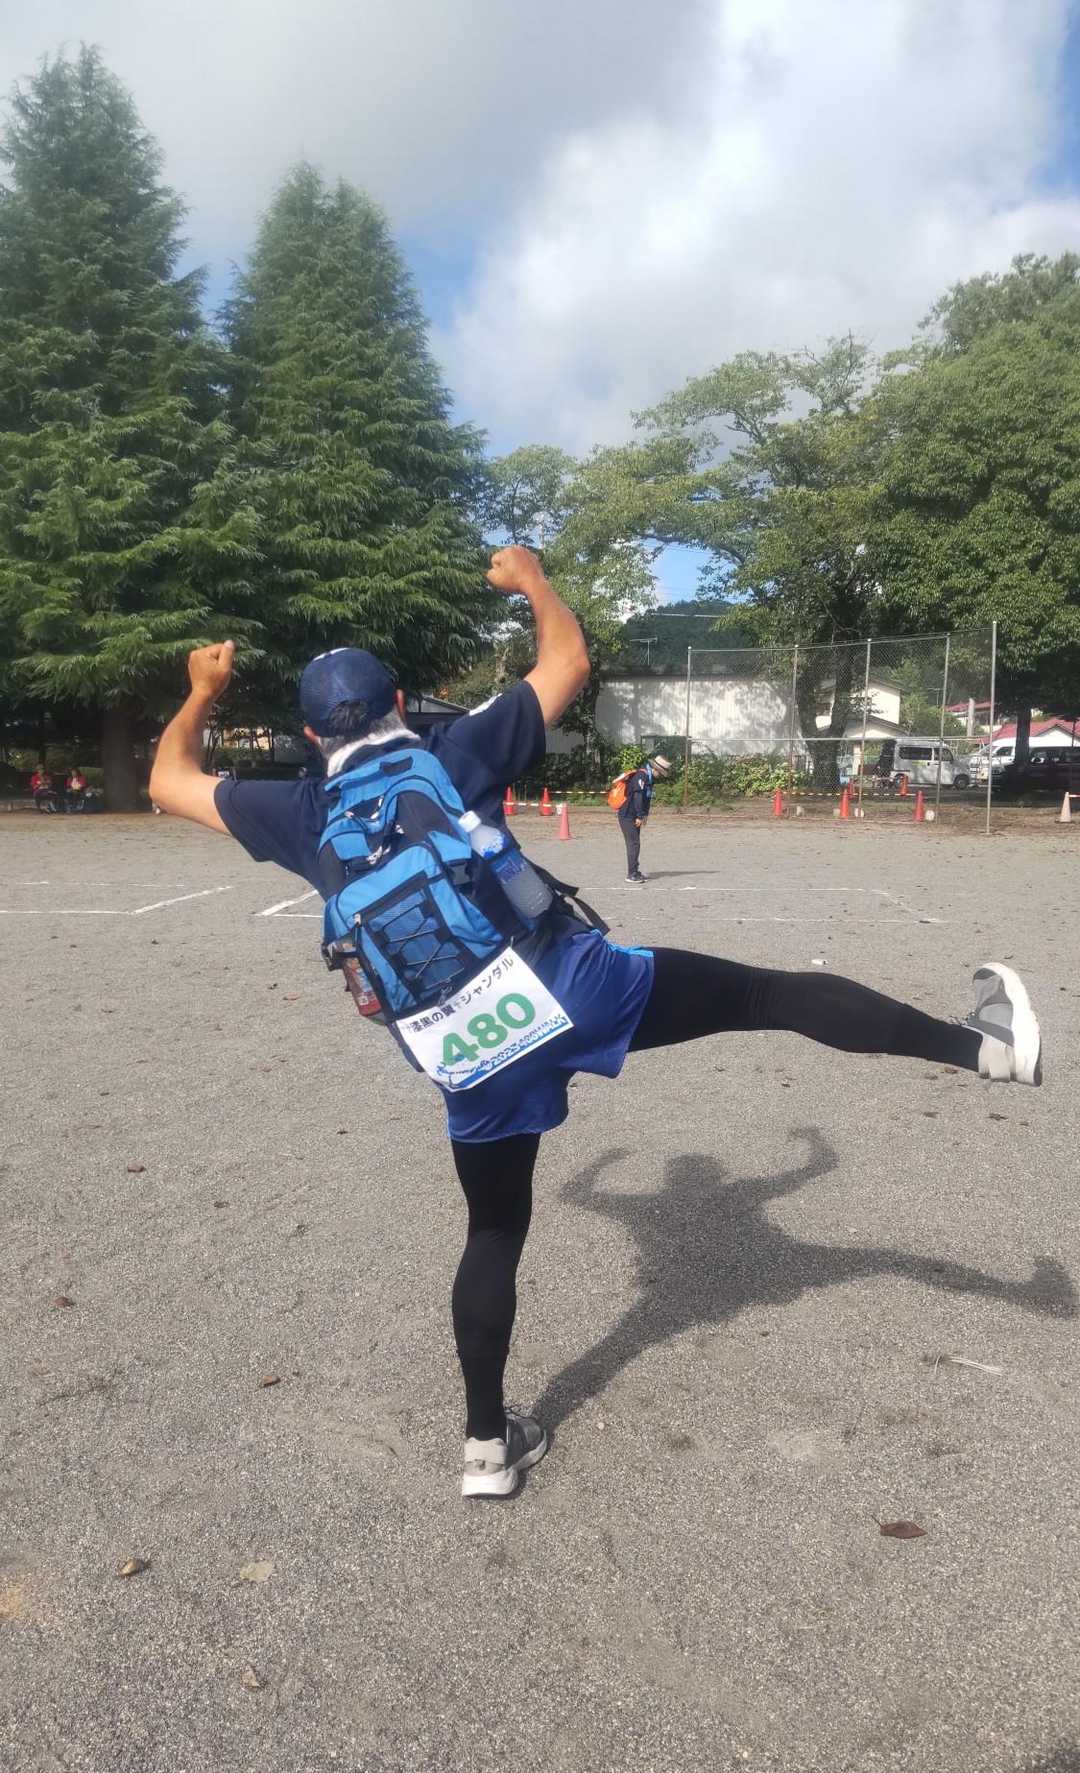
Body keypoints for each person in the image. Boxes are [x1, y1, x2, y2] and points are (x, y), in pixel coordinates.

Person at [150, 547, 1043, 1501]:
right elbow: (568, 662)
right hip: (568, 985)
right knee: (764, 998)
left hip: (460, 1041)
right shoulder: (453, 752)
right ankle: (987, 1049)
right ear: (400, 703)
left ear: (307, 733)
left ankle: (486, 1446)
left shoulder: (299, 811)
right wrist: (532, 584)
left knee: (494, 1227)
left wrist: (202, 693)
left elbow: (168, 780)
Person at [618, 754, 671, 883]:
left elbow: (647, 798)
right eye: (661, 773)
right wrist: (639, 816)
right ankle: (631, 874)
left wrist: (645, 814)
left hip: (634, 815)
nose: (660, 776)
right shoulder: (641, 776)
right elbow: (638, 798)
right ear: (655, 769)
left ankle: (635, 871)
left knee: (635, 843)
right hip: (627, 815)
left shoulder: (649, 778)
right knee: (633, 844)